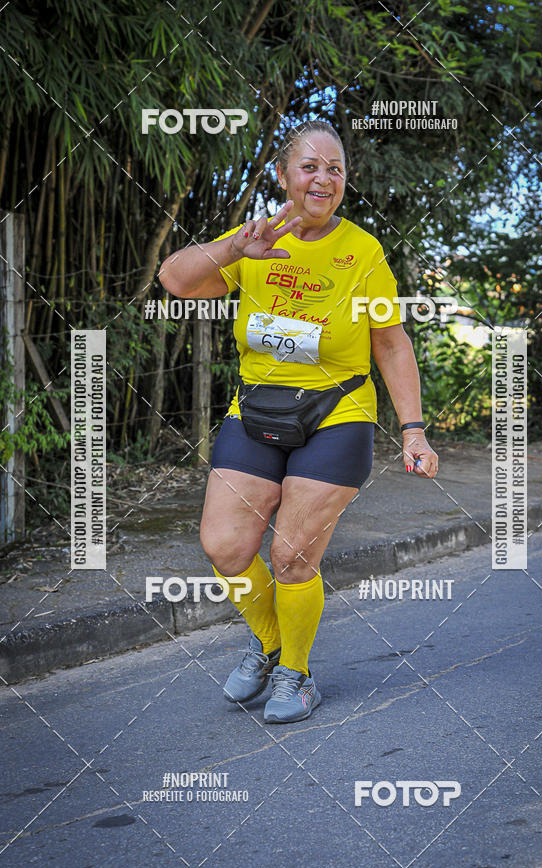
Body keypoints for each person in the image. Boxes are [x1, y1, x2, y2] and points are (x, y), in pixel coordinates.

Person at [159, 119, 438, 724]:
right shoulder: (256, 236)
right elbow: (175, 281)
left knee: (290, 557)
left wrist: (412, 429)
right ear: (284, 176)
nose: (323, 178)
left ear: (344, 182)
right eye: (309, 166)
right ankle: (270, 644)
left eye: (334, 168)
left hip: (338, 412)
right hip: (256, 407)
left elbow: (390, 343)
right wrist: (237, 248)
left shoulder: (361, 251)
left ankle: (297, 674)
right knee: (226, 547)